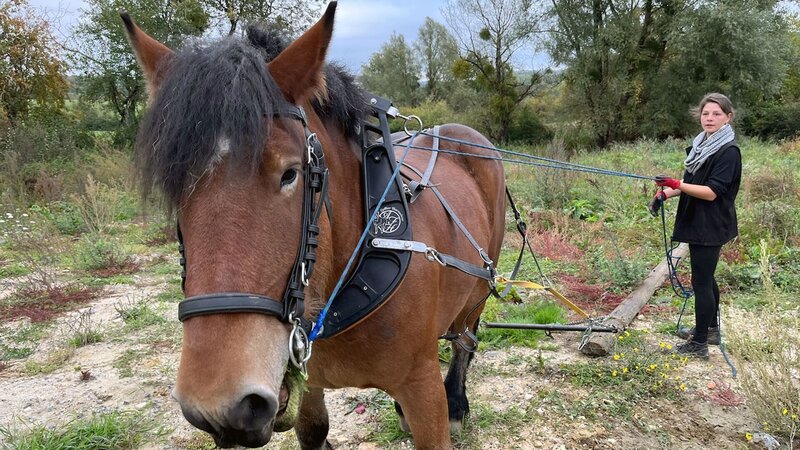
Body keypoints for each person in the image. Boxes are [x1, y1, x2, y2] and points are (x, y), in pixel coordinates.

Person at [648, 93, 742, 359]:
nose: (710, 118)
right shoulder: (702, 145)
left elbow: (711, 192)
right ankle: (710, 330)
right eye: (705, 114)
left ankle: (699, 343)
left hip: (711, 223)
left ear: (728, 117)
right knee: (707, 276)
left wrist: (676, 185)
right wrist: (665, 194)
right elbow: (692, 181)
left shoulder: (728, 152)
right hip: (696, 219)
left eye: (716, 114)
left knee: (701, 281)